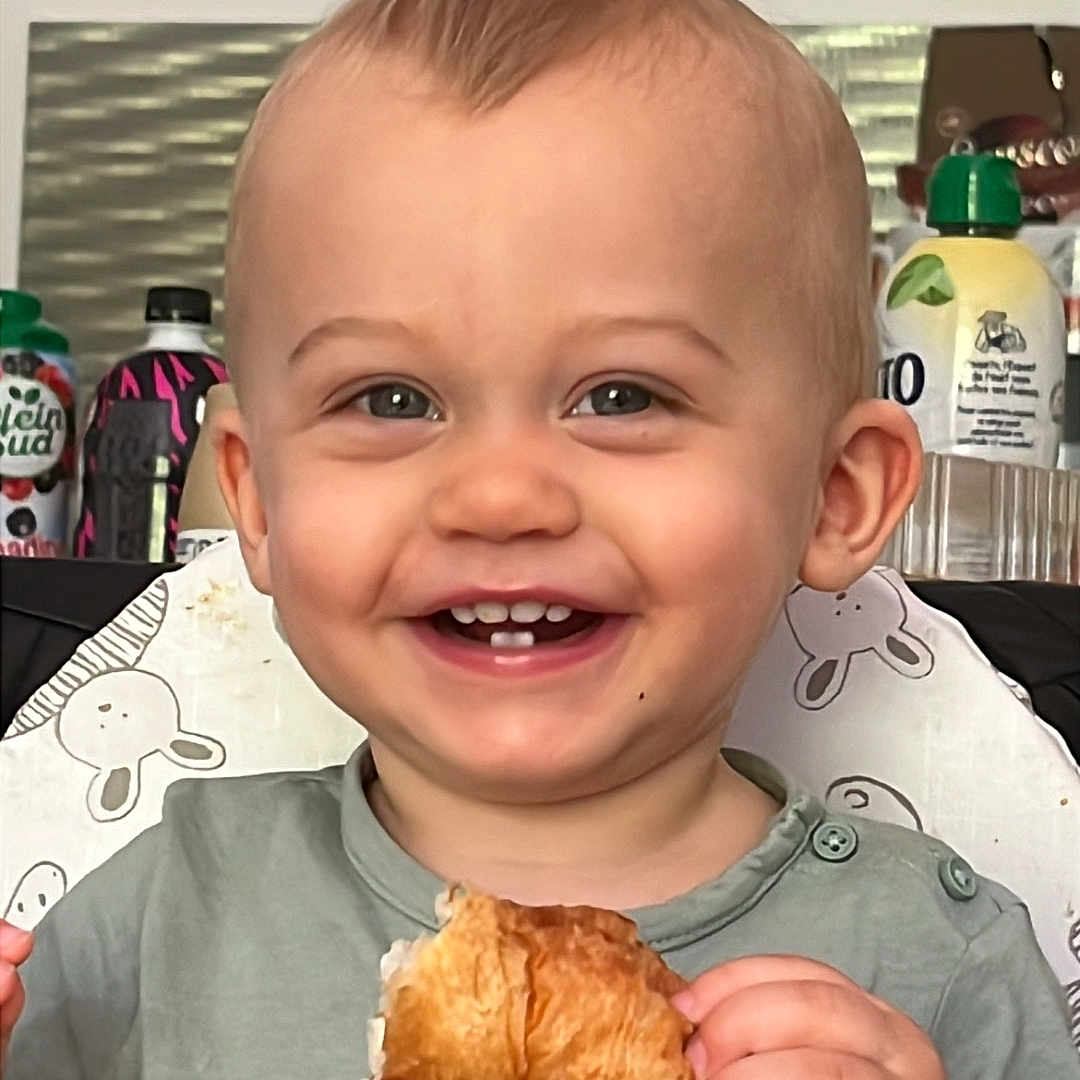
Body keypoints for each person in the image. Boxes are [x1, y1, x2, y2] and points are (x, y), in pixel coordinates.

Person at [3, 1, 1077, 1076]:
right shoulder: (152, 925)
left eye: (620, 395)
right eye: (388, 400)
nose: (500, 495)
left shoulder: (941, 968)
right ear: (262, 504)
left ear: (838, 495)